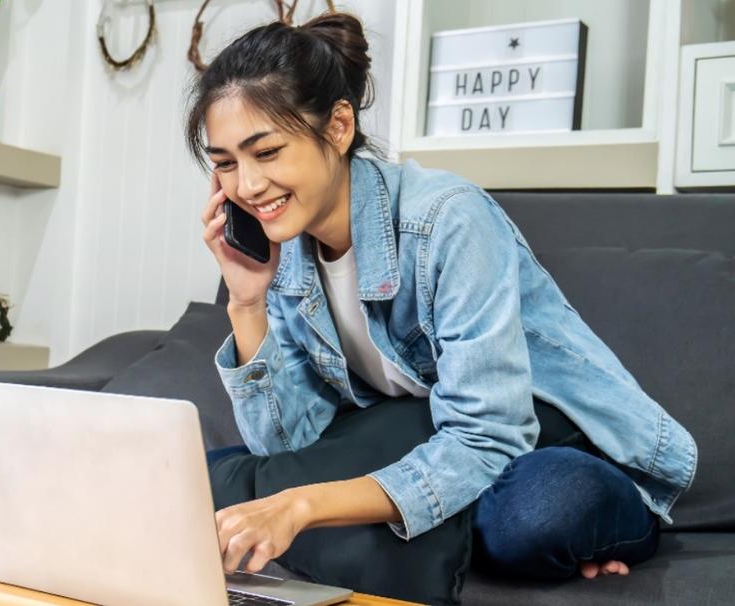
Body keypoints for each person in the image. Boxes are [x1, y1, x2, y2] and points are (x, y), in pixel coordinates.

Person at [189, 11, 697, 585]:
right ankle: (431, 520)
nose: (248, 187)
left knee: (538, 512)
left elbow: (489, 437)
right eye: (225, 164)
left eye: (268, 152)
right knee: (193, 481)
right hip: (423, 440)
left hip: (541, 439)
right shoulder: (283, 254)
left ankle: (484, 520)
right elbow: (292, 448)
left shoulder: (448, 220)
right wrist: (247, 302)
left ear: (337, 127)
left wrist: (302, 507)